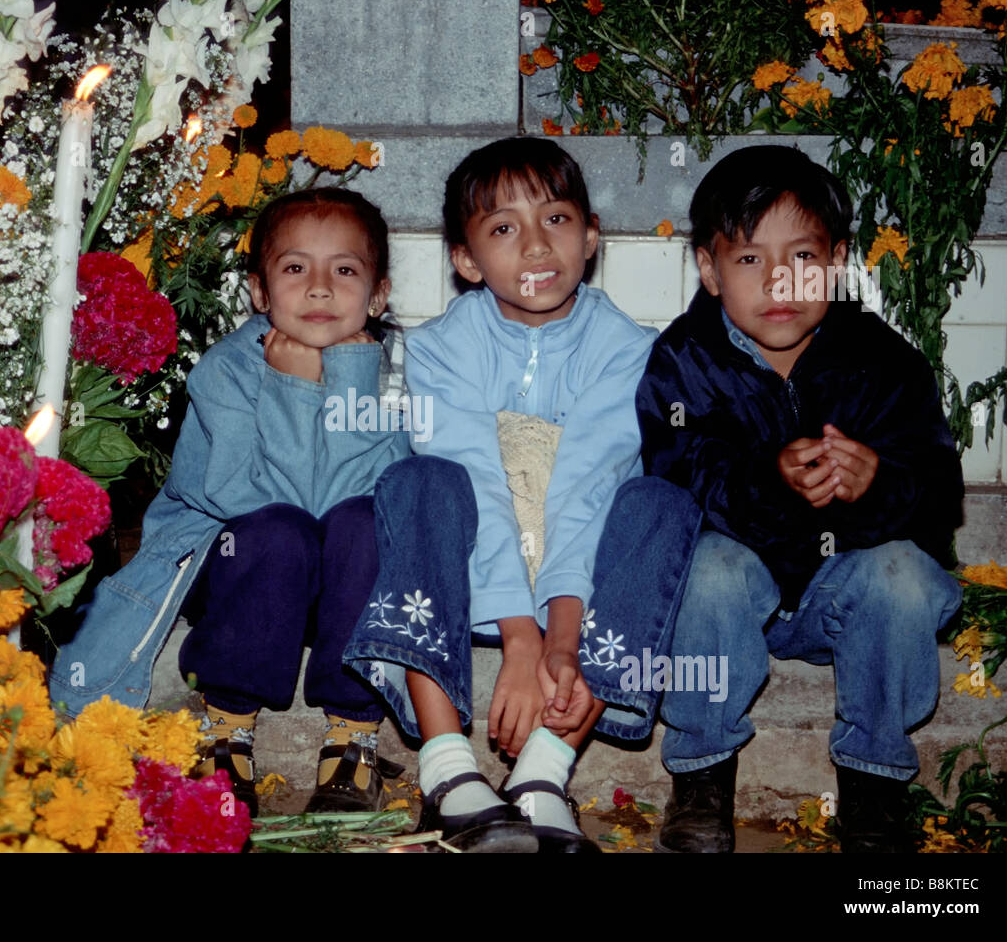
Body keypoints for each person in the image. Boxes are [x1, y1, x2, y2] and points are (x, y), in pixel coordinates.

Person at [344, 137, 699, 853]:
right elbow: (471, 469)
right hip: (470, 577)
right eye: (504, 228)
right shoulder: (443, 344)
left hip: (581, 584)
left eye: (557, 220)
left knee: (661, 502)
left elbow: (589, 486)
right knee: (419, 479)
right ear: (467, 260)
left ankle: (543, 772)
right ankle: (448, 772)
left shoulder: (627, 347)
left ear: (591, 235)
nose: (536, 247)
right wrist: (519, 637)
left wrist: (559, 640)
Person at [637, 145, 964, 853]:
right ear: (708, 267)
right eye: (750, 259)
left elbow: (939, 495)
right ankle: (702, 778)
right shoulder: (681, 362)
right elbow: (675, 483)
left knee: (903, 573)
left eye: (803, 258)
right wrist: (767, 478)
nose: (778, 281)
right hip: (730, 598)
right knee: (705, 563)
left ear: (838, 261)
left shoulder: (883, 360)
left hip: (838, 594)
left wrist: (879, 480)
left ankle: (874, 789)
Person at [48, 188, 410, 817]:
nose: (319, 288)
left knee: (366, 523)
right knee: (277, 530)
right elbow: (248, 498)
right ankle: (227, 727)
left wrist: (346, 379)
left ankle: (352, 736)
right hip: (243, 566)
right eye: (295, 268)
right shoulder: (228, 372)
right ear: (260, 293)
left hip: (344, 577)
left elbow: (370, 495)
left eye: (344, 270)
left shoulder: (394, 376)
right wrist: (295, 390)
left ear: (377, 295)